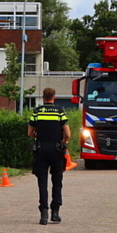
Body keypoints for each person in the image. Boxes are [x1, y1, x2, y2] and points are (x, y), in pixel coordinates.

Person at [28, 87, 71, 225]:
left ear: (43, 97)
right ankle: (55, 212)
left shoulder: (37, 111)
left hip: (41, 149)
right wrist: (63, 141)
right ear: (54, 97)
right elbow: (68, 134)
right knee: (57, 180)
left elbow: (30, 133)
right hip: (56, 149)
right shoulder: (60, 112)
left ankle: (43, 214)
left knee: (42, 181)